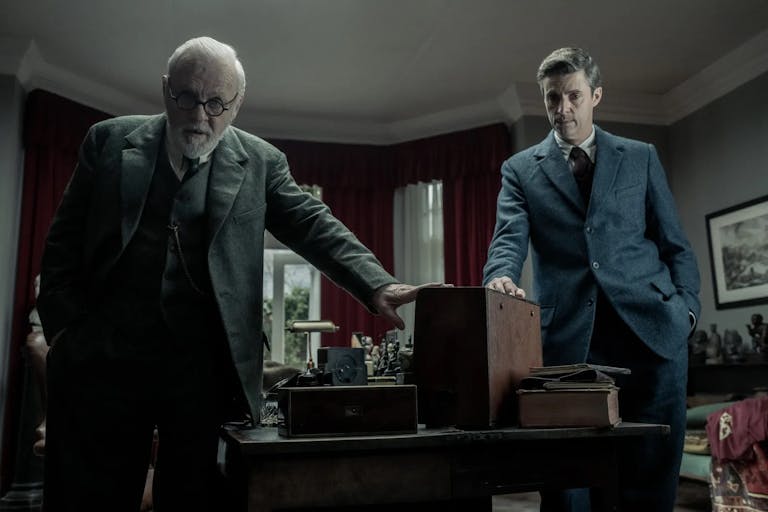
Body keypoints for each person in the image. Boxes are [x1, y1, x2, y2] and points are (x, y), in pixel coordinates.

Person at [38, 36, 433, 512]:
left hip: (203, 370)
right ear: (166, 90)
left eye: (215, 102)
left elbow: (313, 224)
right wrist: (67, 335)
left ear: (237, 103)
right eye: (185, 97)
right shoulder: (107, 141)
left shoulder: (261, 162)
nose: (199, 116)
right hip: (104, 360)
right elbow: (60, 247)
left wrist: (377, 283)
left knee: (193, 500)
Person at [483, 47, 700, 512]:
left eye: (574, 96)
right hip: (570, 347)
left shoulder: (640, 157)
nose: (563, 110)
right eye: (552, 98)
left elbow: (674, 244)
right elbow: (508, 239)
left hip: (655, 336)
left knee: (650, 482)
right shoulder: (520, 170)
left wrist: (686, 311)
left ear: (595, 95)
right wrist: (500, 275)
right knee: (568, 489)